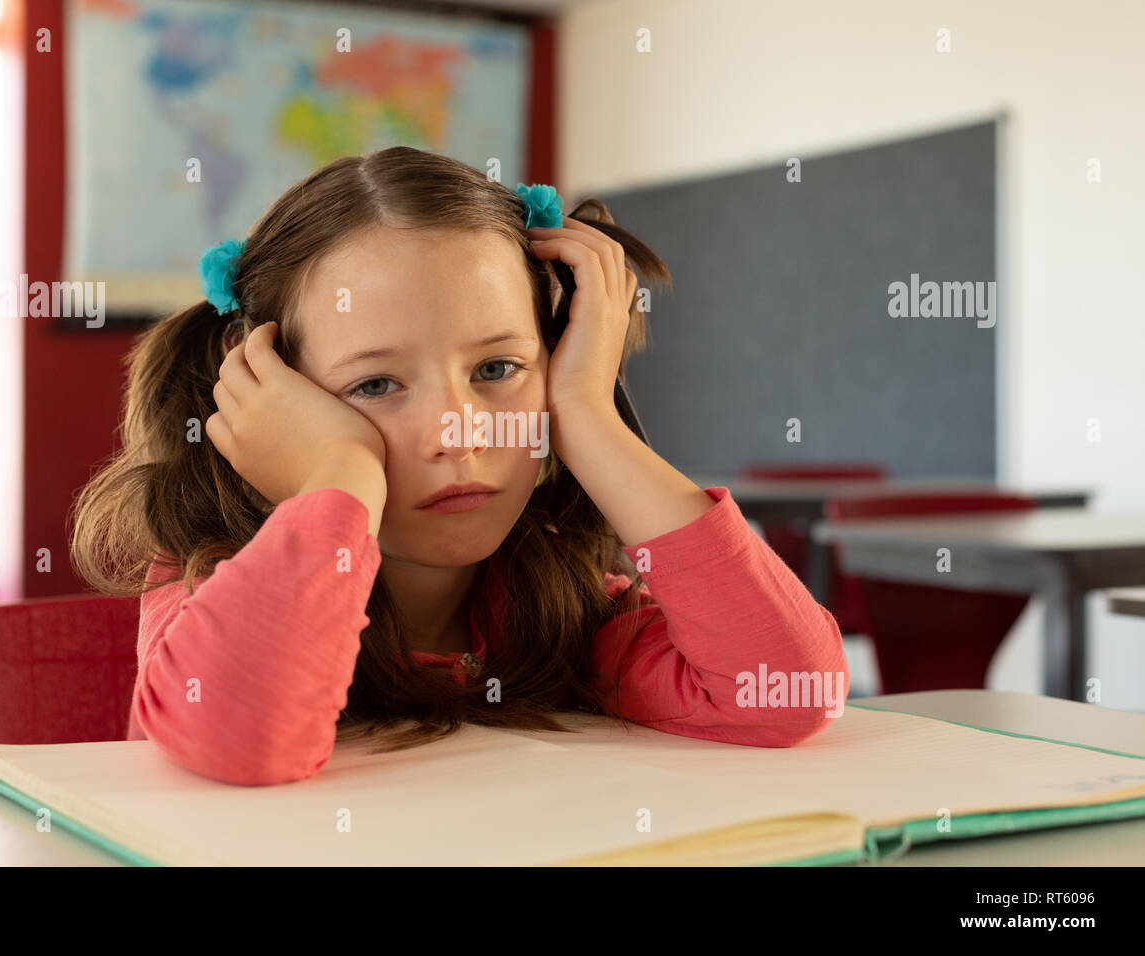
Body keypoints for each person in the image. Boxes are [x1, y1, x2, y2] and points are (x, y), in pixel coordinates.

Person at [70, 146, 848, 786]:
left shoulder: (563, 608)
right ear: (271, 400)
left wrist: (586, 414)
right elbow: (241, 744)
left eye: (498, 369)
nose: (456, 434)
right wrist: (339, 474)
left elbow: (786, 692)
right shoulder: (209, 577)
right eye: (374, 385)